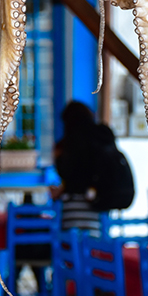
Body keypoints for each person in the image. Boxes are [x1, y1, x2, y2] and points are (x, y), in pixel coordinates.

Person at [50, 100, 112, 235]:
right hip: (99, 203)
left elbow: (69, 175)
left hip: (74, 206)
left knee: (74, 247)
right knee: (95, 246)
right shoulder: (102, 137)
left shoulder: (69, 145)